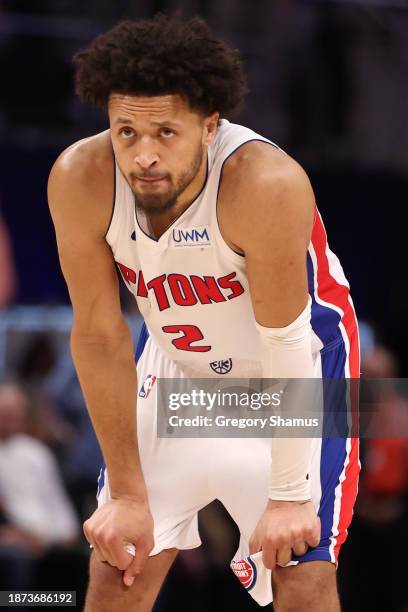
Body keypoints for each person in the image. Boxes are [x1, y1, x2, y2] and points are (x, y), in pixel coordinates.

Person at [48, 15, 360, 612]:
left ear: (209, 126)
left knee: (303, 573)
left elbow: (288, 340)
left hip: (291, 378)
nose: (144, 155)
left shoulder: (265, 181)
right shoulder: (79, 178)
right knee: (118, 567)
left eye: (166, 131)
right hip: (176, 374)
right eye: (126, 131)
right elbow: (98, 334)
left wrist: (292, 495)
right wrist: (126, 494)